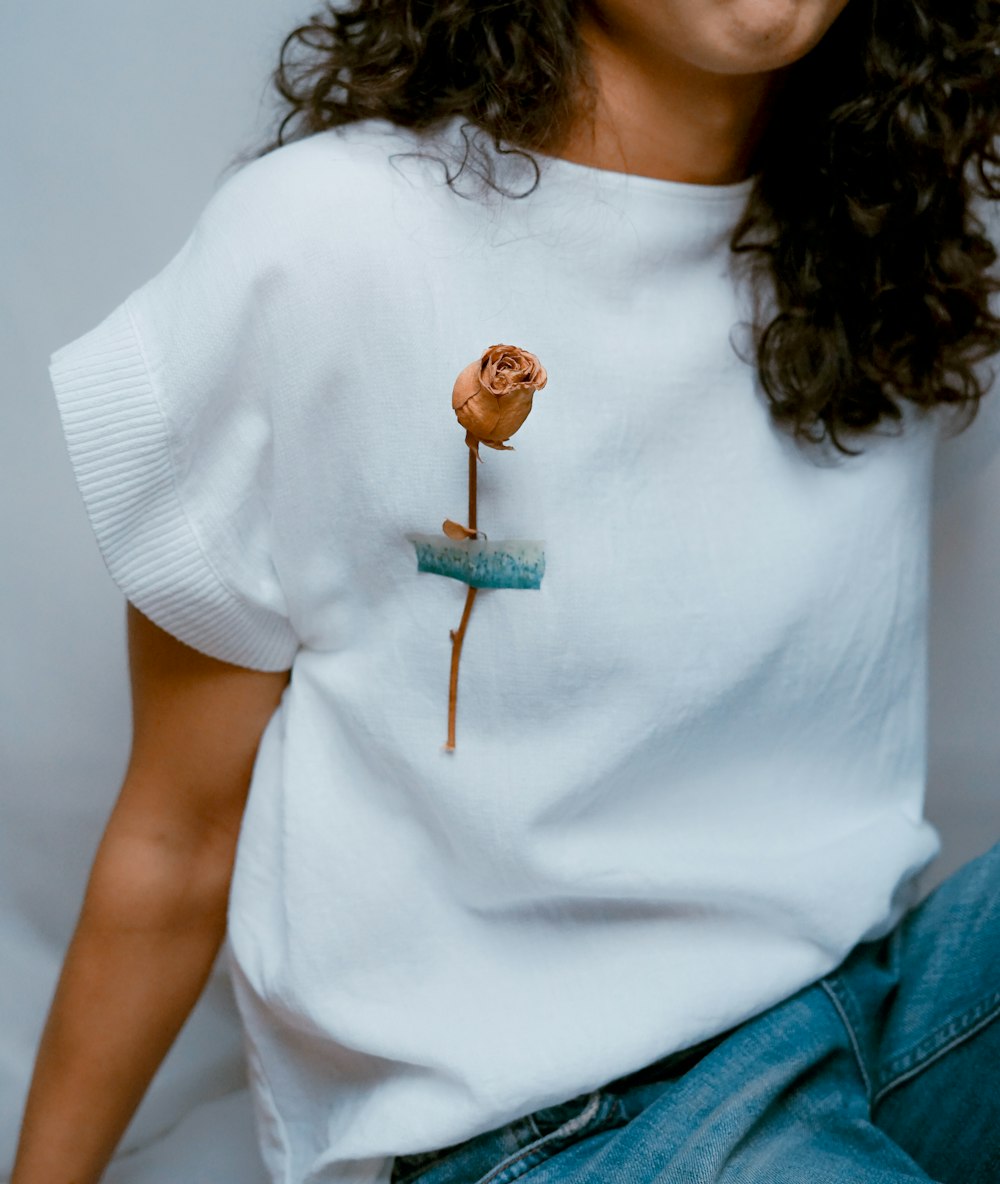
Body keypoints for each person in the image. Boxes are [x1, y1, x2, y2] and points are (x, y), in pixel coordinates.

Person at [12, 1, 1000, 1181]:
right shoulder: (329, 241)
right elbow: (178, 831)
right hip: (558, 1126)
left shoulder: (879, 239)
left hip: (865, 1007)